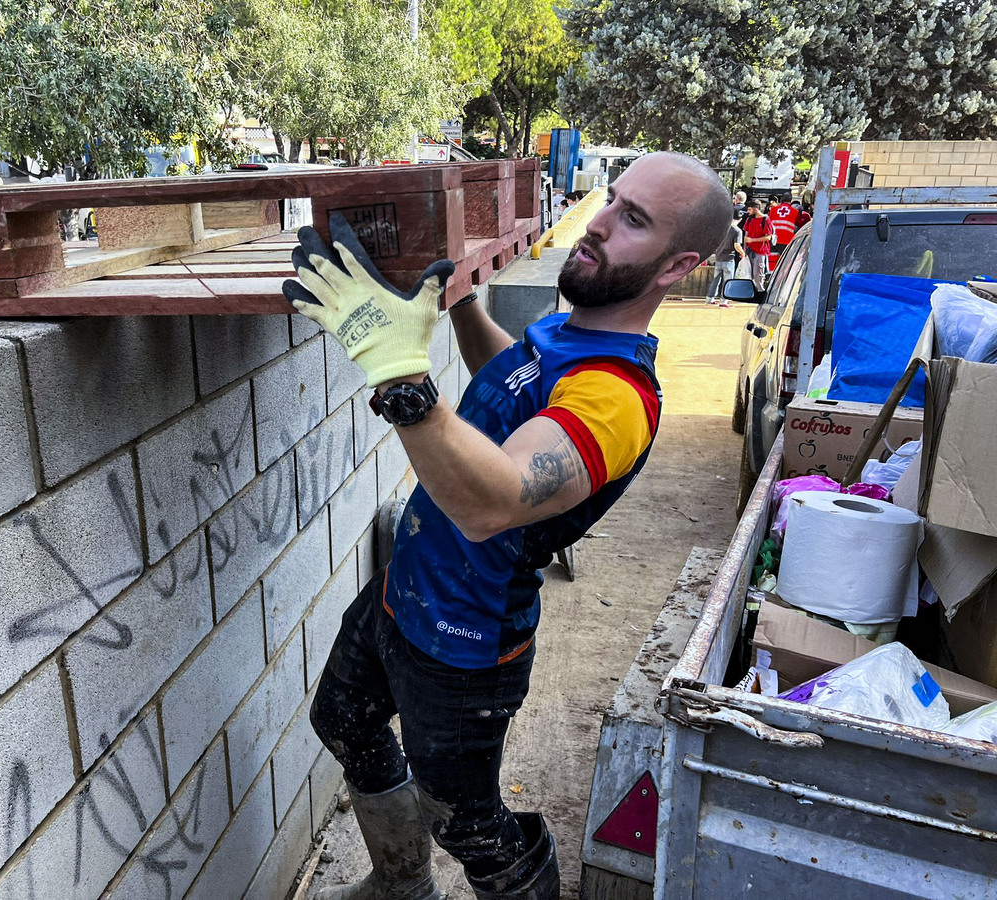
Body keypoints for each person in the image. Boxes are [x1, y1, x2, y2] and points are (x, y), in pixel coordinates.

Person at [282, 152, 732, 900]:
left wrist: (399, 372)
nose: (597, 225)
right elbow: (511, 381)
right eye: (611, 201)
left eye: (633, 220)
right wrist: (459, 303)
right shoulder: (570, 334)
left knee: (468, 826)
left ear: (677, 265)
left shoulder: (616, 397)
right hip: (407, 591)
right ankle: (402, 888)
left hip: (467, 643)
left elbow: (492, 500)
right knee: (343, 720)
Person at [706, 220, 744, 306]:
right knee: (728, 280)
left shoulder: (722, 229)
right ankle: (724, 300)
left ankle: (709, 298)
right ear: (740, 219)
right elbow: (737, 245)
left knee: (716, 279)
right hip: (729, 259)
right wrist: (743, 253)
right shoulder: (737, 231)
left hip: (718, 258)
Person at [740, 199, 773, 289]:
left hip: (760, 252)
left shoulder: (765, 220)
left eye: (749, 209)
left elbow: (768, 237)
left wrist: (752, 240)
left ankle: (760, 292)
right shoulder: (749, 220)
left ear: (756, 209)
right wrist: (744, 250)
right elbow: (746, 236)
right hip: (750, 251)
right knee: (748, 274)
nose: (748, 212)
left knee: (758, 275)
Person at [766, 195, 799, 269]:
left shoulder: (773, 210)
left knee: (773, 258)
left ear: (781, 200)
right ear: (791, 201)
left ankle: (770, 275)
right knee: (785, 260)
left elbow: (769, 224)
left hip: (774, 239)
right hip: (786, 240)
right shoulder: (795, 211)